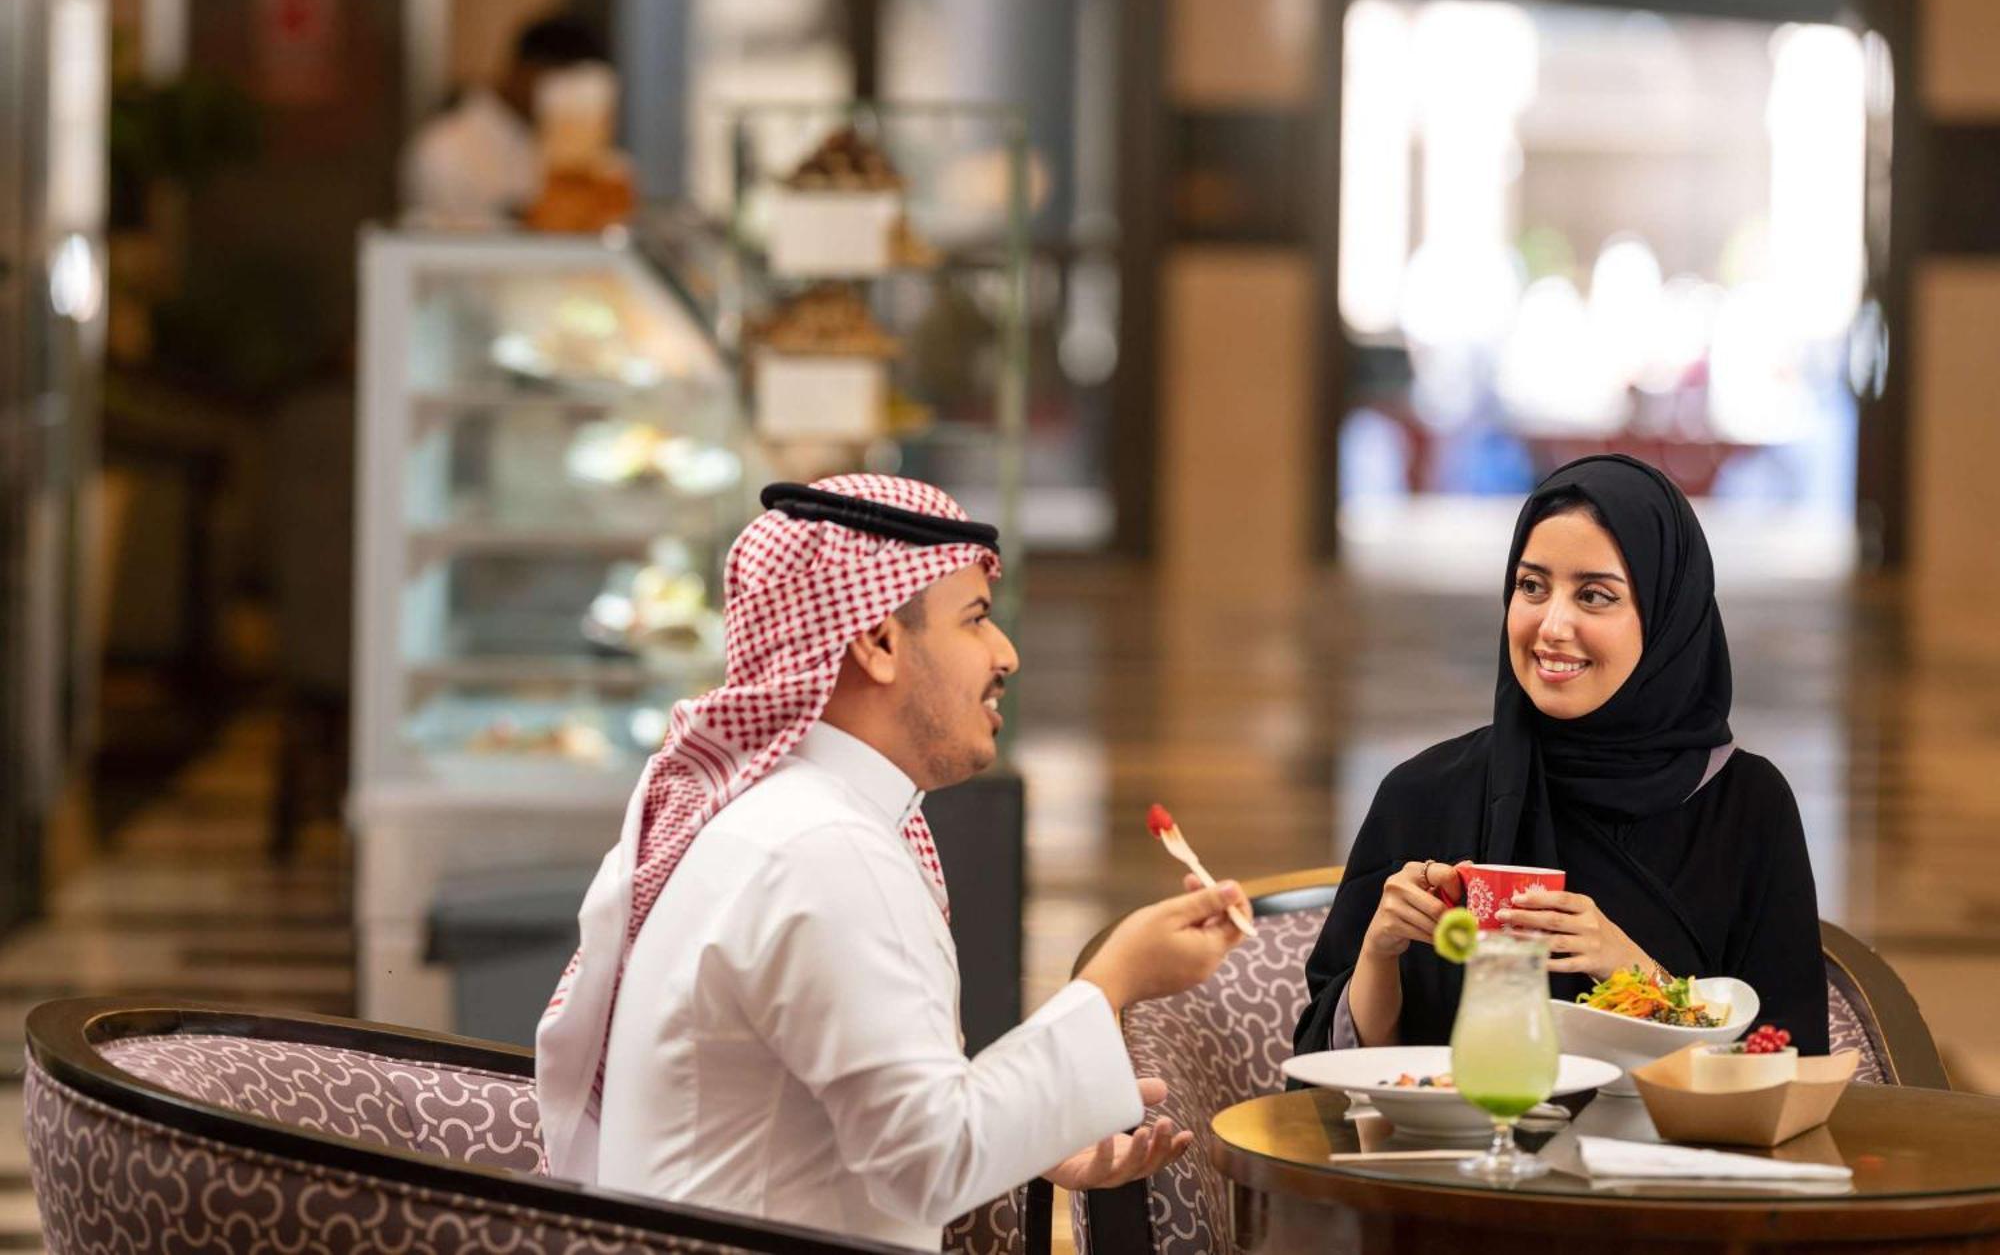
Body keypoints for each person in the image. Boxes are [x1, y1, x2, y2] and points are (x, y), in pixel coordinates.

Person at [538, 475, 1248, 1250]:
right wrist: (1115, 980)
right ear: (877, 642)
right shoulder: (823, 852)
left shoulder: (782, 817)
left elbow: (889, 1125)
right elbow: (927, 1166)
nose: (1005, 653)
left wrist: (1038, 1130)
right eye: (976, 619)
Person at [1296, 453, 1828, 1057]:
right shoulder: (1424, 795)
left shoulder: (1744, 805)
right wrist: (1380, 950)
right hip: (1455, 1148)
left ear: (1666, 617)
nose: (1551, 625)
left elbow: (1786, 1063)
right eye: (1532, 586)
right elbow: (1332, 1075)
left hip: (1678, 1151)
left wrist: (1631, 973)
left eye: (1595, 596)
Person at [400, 12, 608, 226]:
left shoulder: (586, 155)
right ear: (524, 71)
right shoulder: (444, 148)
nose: (572, 102)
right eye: (568, 87)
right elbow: (440, 247)